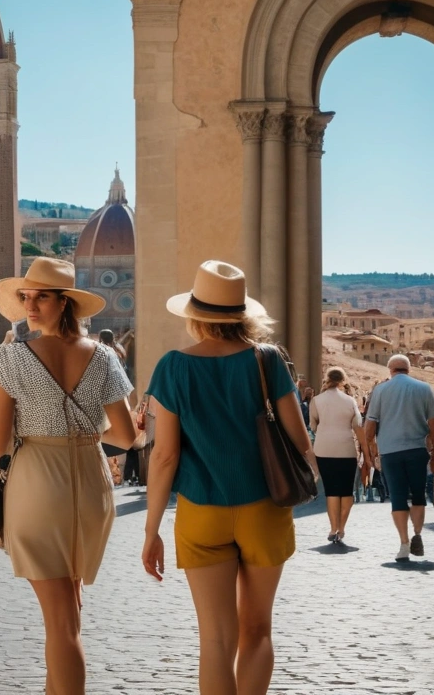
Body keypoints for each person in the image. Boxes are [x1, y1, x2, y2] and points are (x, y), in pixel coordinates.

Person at [141, 260, 314, 695]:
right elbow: (300, 439)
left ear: (195, 316)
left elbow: (164, 456)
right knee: (257, 630)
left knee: (215, 640)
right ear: (242, 315)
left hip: (201, 512)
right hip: (264, 508)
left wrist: (151, 530)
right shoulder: (268, 360)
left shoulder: (173, 366)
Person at [0, 257, 136, 695]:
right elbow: (126, 437)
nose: (30, 306)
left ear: (65, 302)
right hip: (91, 480)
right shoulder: (105, 357)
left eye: (41, 297)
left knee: (63, 624)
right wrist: (84, 431)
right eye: (26, 297)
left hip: (37, 482)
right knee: (69, 614)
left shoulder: (10, 358)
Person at [364, 354, 434, 562]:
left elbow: (370, 425)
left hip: (390, 451)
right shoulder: (424, 389)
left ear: (390, 369)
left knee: (397, 497)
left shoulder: (380, 390)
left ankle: (404, 542)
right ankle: (418, 533)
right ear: (409, 369)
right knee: (418, 494)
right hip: (417, 450)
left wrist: (369, 452)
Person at [310, 366, 369, 544]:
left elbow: (313, 426)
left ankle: (332, 527)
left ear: (327, 379)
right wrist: (365, 453)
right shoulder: (350, 401)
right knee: (346, 491)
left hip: (324, 448)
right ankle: (342, 528)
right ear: (343, 380)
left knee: (331, 491)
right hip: (345, 449)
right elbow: (358, 426)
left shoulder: (316, 400)